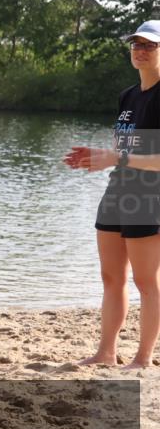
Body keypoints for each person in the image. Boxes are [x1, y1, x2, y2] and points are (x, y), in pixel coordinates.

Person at [65, 19, 160, 370]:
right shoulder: (127, 96)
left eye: (149, 45)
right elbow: (125, 151)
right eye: (136, 44)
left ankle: (143, 358)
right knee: (111, 277)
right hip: (118, 190)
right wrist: (99, 158)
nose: (140, 50)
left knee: (146, 281)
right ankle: (106, 352)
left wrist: (114, 157)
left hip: (149, 196)